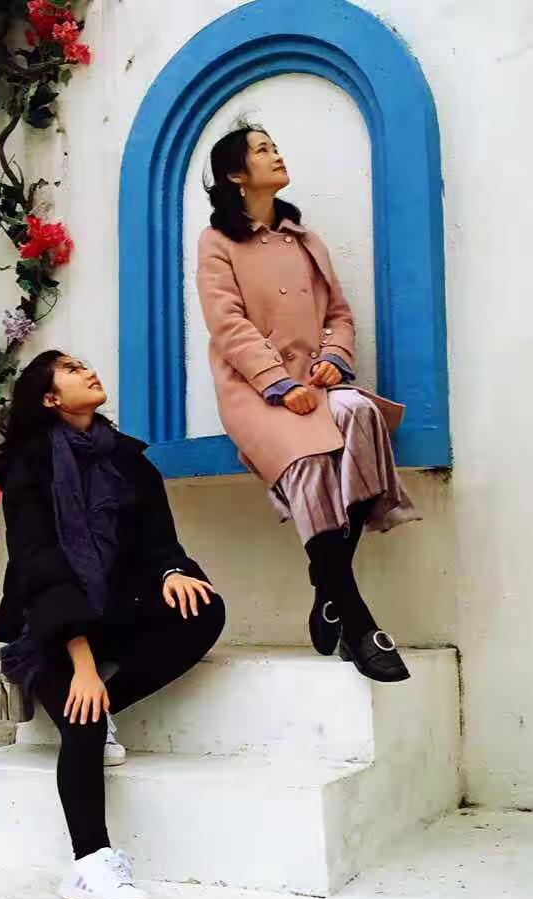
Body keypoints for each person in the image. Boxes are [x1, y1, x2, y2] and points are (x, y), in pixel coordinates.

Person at [0, 350, 225, 899]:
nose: (89, 372)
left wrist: (171, 573)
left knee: (203, 608)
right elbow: (40, 565)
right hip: (49, 626)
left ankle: (104, 699)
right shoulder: (29, 467)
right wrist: (82, 665)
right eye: (72, 370)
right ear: (51, 398)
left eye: (84, 365)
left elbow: (158, 540)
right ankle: (90, 863)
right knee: (85, 718)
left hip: (115, 611)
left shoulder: (128, 459)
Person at [196, 124, 419, 683]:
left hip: (314, 384)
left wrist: (334, 360)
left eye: (276, 146)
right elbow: (227, 324)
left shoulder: (305, 240)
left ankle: (327, 590)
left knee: (361, 414)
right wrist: (277, 382)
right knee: (310, 457)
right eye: (263, 150)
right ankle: (359, 620)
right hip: (253, 391)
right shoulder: (217, 242)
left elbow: (338, 314)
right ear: (236, 174)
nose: (276, 155)